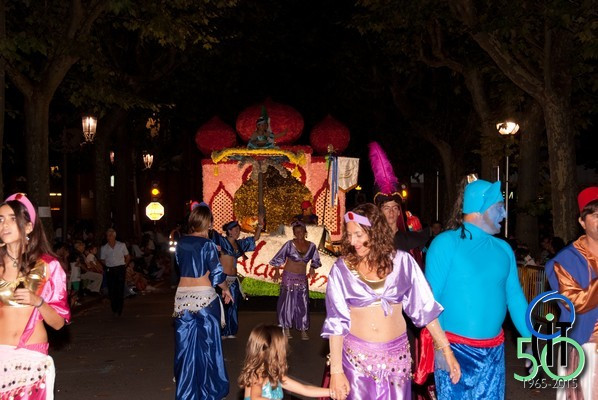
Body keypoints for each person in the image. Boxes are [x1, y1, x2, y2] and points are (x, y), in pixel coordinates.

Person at [322, 204, 460, 400]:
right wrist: (336, 371)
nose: (353, 242)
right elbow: (336, 323)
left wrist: (447, 351)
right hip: (356, 362)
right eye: (349, 235)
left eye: (358, 235)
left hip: (397, 361)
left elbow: (426, 310)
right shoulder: (341, 269)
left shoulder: (403, 262)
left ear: (375, 231)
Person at [424, 177, 531, 399]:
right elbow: (430, 301)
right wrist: (442, 348)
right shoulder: (445, 243)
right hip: (455, 350)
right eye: (499, 207)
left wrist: (530, 338)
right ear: (480, 207)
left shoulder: (504, 249)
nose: (504, 214)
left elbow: (515, 297)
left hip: (494, 353)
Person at [0, 193, 70, 399]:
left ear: (29, 227)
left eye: (13, 219)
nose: (4, 225)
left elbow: (58, 323)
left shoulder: (48, 266)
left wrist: (38, 301)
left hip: (31, 357)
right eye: (1, 219)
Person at [174, 204, 233, 400]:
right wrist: (226, 289)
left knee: (185, 347)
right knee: (209, 346)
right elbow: (216, 274)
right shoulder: (208, 245)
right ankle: (212, 391)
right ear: (208, 224)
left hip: (182, 298)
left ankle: (187, 392)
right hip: (204, 299)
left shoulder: (180, 243)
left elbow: (181, 266)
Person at [545, 186, 598, 400]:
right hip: (586, 346)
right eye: (595, 214)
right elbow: (574, 302)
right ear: (582, 222)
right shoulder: (565, 260)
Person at [239, 324, 331, 399]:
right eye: (283, 349)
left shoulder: (275, 376)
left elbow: (304, 389)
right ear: (275, 353)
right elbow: (255, 398)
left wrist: (332, 392)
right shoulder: (257, 375)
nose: (285, 352)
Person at [270, 220, 322, 340]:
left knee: (303, 303)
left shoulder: (312, 246)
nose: (299, 233)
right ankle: (286, 327)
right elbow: (279, 258)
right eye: (296, 232)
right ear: (294, 233)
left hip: (302, 277)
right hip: (288, 276)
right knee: (287, 302)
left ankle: (303, 329)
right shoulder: (289, 244)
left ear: (305, 232)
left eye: (301, 231)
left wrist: (312, 268)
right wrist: (277, 271)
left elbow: (315, 260)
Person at [217, 215, 264, 339]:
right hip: (223, 279)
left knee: (233, 305)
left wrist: (260, 226)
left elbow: (255, 238)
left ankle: (231, 331)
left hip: (233, 279)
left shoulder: (239, 244)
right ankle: (222, 331)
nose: (238, 232)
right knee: (223, 305)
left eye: (239, 230)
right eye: (236, 230)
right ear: (229, 231)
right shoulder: (221, 241)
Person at [100, 228, 130, 317]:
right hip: (110, 269)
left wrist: (124, 265)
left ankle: (119, 309)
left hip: (120, 268)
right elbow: (102, 259)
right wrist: (108, 265)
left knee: (120, 289)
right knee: (112, 289)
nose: (108, 237)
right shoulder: (104, 248)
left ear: (114, 236)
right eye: (107, 236)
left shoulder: (121, 245)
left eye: (110, 235)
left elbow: (127, 256)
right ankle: (114, 308)